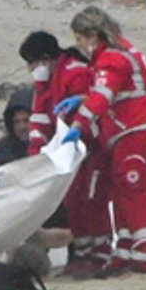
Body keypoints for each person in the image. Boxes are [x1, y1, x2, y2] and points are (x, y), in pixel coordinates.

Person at [63, 6, 146, 275]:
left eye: (81, 39)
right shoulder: (122, 52)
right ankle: (126, 247)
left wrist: (78, 123)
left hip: (135, 129)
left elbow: (104, 96)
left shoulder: (112, 59)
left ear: (92, 35)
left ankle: (144, 250)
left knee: (133, 187)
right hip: (129, 131)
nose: (80, 46)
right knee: (121, 187)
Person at [21, 29, 96, 245]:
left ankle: (89, 248)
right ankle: (80, 247)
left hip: (85, 144)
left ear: (45, 59)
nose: (30, 70)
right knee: (72, 198)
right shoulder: (47, 81)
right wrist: (36, 154)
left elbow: (85, 112)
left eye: (32, 64)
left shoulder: (75, 73)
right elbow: (40, 117)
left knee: (85, 198)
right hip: (64, 147)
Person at [0, 89, 34, 170]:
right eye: (17, 122)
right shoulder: (4, 149)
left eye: (26, 121)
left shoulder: (49, 144)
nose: (22, 127)